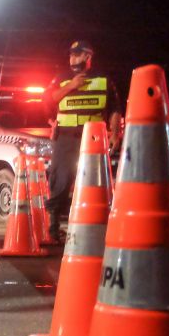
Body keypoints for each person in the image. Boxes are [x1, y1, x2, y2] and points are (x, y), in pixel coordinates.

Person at [44, 40, 122, 242]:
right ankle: (53, 226)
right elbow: (48, 99)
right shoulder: (61, 78)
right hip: (66, 137)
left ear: (88, 57)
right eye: (70, 55)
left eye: (77, 54)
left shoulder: (103, 79)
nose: (72, 58)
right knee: (60, 179)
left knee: (94, 182)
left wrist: (115, 134)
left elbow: (114, 108)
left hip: (93, 138)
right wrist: (71, 86)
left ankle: (96, 227)